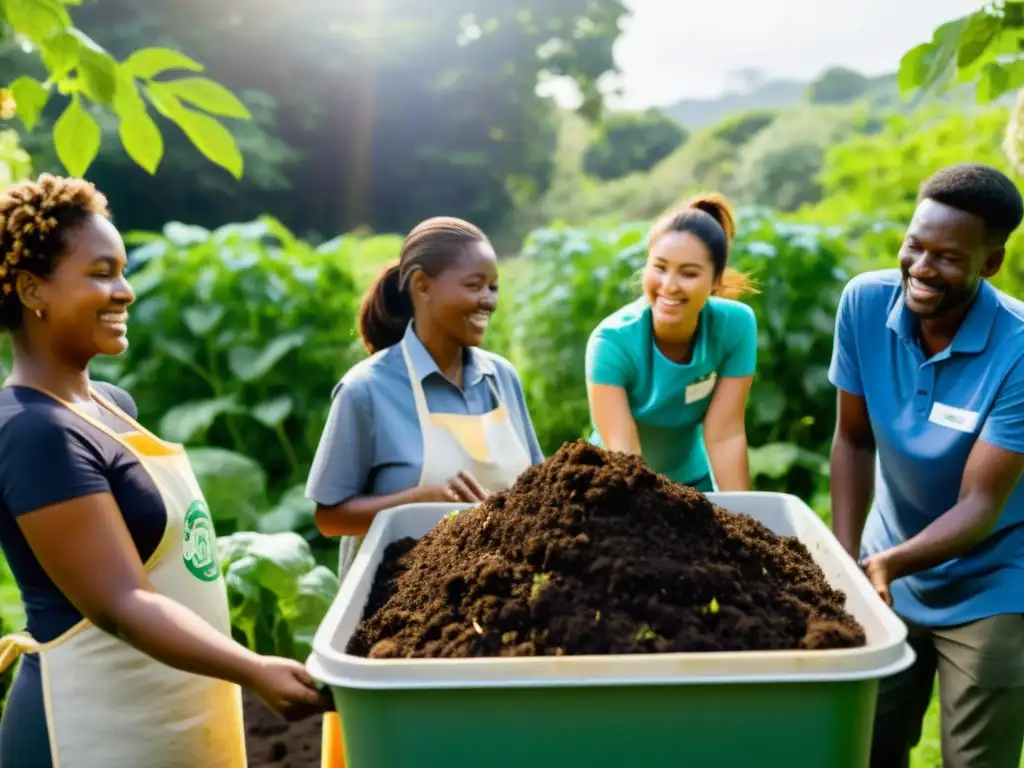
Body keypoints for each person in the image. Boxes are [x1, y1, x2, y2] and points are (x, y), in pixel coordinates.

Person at [0, 174, 328, 768]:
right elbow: (120, 600)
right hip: (89, 727)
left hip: (172, 716)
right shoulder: (31, 430)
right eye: (101, 273)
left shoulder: (110, 404)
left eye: (123, 271)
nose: (125, 291)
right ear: (31, 289)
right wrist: (252, 666)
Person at [306, 215, 544, 765]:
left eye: (493, 287)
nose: (488, 299)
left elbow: (536, 489)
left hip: (497, 615)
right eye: (474, 285)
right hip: (398, 625)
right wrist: (414, 502)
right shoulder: (367, 390)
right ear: (421, 286)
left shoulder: (500, 378)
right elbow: (329, 516)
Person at [828, 163, 1024, 768]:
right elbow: (853, 441)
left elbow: (980, 507)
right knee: (866, 744)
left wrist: (884, 564)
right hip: (891, 562)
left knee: (973, 759)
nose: (920, 267)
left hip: (995, 579)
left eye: (946, 256)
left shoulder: (1018, 348)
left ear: (989, 264)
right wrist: (846, 563)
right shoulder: (865, 303)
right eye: (915, 244)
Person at [584, 193, 758, 492]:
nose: (669, 286)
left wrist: (748, 521)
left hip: (693, 482)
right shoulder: (611, 342)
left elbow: (725, 435)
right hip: (618, 486)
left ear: (716, 280)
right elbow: (624, 453)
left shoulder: (736, 325)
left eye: (688, 273)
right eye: (660, 268)